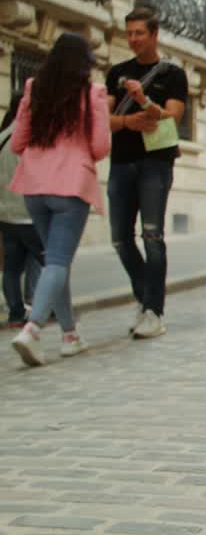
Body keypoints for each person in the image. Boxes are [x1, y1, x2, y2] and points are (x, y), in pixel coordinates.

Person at [8, 33, 111, 366]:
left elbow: (16, 142)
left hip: (34, 185)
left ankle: (70, 335)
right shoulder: (92, 93)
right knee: (57, 261)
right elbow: (100, 147)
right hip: (70, 186)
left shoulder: (34, 89)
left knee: (55, 260)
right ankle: (32, 330)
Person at [106, 7, 186, 340]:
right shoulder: (116, 73)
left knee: (152, 237)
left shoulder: (172, 74)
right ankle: (145, 297)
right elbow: (103, 120)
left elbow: (171, 118)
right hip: (122, 162)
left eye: (140, 33)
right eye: (130, 33)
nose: (134, 39)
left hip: (156, 163)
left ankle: (154, 311)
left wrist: (142, 99)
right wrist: (128, 122)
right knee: (120, 239)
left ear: (154, 35)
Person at [0, 102, 43, 330]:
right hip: (28, 211)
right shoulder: (28, 137)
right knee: (50, 262)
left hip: (6, 214)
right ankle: (48, 308)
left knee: (12, 268)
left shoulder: (3, 136)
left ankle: (16, 314)